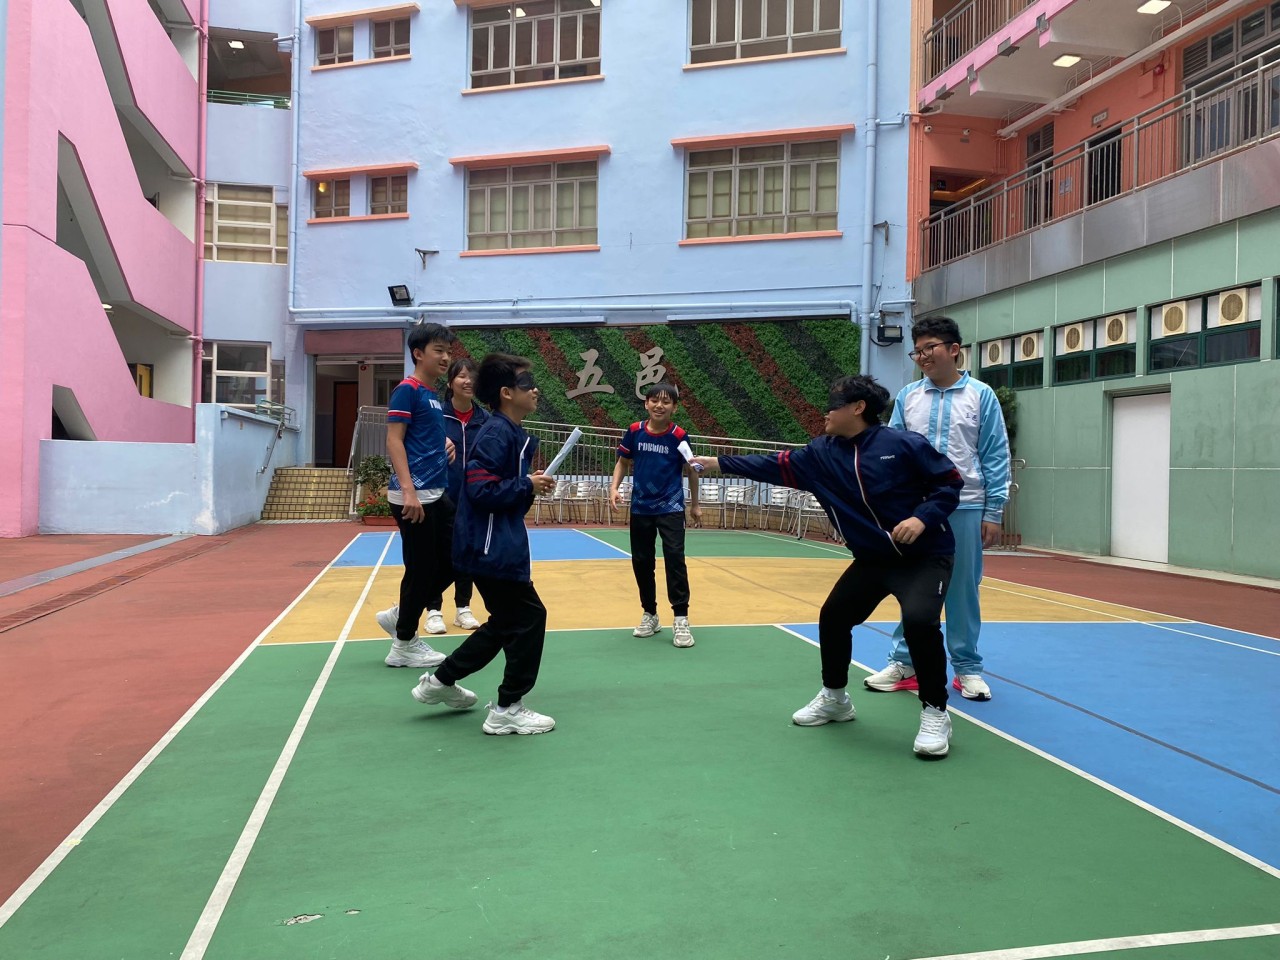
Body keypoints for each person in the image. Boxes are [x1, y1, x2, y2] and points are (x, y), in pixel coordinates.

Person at [694, 375, 965, 758]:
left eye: (833, 404)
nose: (825, 412)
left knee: (920, 622)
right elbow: (771, 464)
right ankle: (836, 699)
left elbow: (949, 483)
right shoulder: (819, 454)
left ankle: (936, 711)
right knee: (834, 617)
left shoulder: (903, 444)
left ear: (858, 408)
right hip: (873, 559)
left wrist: (922, 517)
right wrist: (716, 462)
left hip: (925, 555)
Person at [410, 353, 559, 735]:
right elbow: (480, 490)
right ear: (507, 393)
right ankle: (507, 707)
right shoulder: (497, 434)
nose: (535, 390)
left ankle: (441, 681)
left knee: (507, 622)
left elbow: (504, 495)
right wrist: (525, 484)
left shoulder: (508, 433)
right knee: (529, 618)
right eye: (527, 385)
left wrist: (528, 486)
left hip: (492, 545)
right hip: (491, 548)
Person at [863, 316, 1011, 702]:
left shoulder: (981, 396)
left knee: (962, 588)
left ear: (954, 349)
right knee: (912, 586)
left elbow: (995, 454)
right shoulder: (909, 396)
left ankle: (967, 668)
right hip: (916, 509)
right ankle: (905, 663)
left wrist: (994, 511)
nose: (923, 356)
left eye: (930, 348)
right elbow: (891, 452)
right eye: (917, 351)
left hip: (966, 506)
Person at [377, 323, 458, 670]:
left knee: (456, 560)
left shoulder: (432, 395)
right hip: (415, 497)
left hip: (436, 492)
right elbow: (394, 440)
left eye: (448, 351)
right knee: (421, 570)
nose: (446, 357)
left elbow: (421, 435)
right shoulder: (407, 390)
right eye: (439, 350)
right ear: (418, 353)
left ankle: (401, 612)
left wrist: (445, 442)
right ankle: (404, 644)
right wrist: (408, 490)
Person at [609, 382, 701, 648]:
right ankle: (650, 614)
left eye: (666, 401)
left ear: (674, 407)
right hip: (641, 508)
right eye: (654, 400)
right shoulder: (634, 431)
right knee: (642, 562)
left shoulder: (679, 436)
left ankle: (681, 618)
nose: (659, 405)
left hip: (671, 508)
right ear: (646, 403)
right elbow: (623, 462)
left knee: (675, 560)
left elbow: (692, 470)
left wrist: (695, 505)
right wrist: (614, 488)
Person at [421, 357, 488, 632]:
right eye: (461, 376)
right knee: (437, 556)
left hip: (472, 500)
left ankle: (463, 608)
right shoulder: (437, 417)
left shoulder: (485, 420)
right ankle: (433, 610)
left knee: (466, 554)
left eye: (472, 376)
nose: (468, 381)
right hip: (441, 496)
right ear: (450, 383)